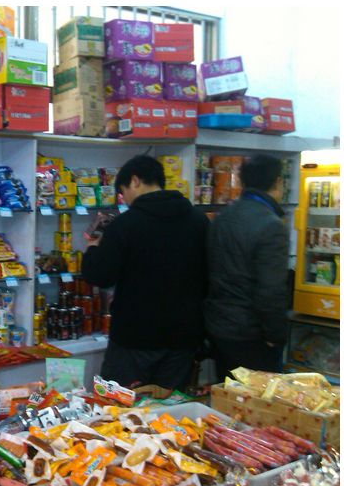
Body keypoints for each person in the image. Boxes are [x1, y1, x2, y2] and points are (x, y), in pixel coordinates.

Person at [81, 154, 209, 390]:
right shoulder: (199, 221)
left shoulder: (125, 225)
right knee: (172, 408)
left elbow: (99, 276)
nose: (125, 200)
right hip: (183, 339)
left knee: (120, 407)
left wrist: (92, 249)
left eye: (123, 192)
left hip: (134, 339)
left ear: (135, 181)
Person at [205, 154, 289, 377]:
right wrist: (275, 335)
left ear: (242, 181)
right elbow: (271, 291)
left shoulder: (222, 217)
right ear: (278, 181)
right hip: (252, 334)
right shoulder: (271, 225)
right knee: (259, 396)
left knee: (227, 393)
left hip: (219, 327)